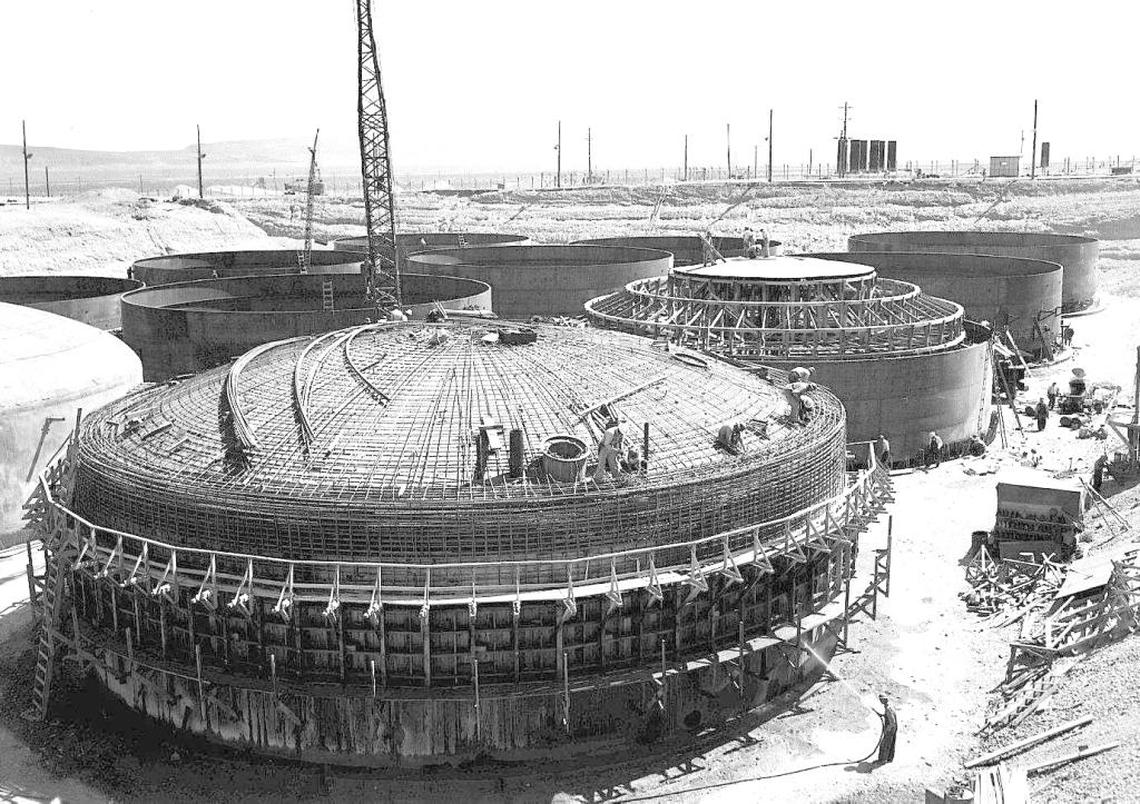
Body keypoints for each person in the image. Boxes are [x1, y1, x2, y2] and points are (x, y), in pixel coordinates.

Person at [593, 419, 625, 483]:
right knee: (602, 463)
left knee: (614, 462)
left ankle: (617, 476)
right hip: (604, 447)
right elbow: (606, 444)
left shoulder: (622, 433)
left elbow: (621, 442)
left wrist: (621, 450)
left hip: (613, 446)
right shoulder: (610, 433)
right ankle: (598, 478)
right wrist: (616, 450)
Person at [877, 695, 897, 764]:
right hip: (893, 728)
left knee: (884, 744)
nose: (880, 701)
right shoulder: (889, 707)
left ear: (884, 700)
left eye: (881, 699)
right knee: (891, 743)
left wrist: (887, 730)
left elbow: (892, 722)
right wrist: (882, 715)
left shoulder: (888, 709)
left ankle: (882, 760)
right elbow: (889, 717)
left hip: (890, 729)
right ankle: (889, 758)